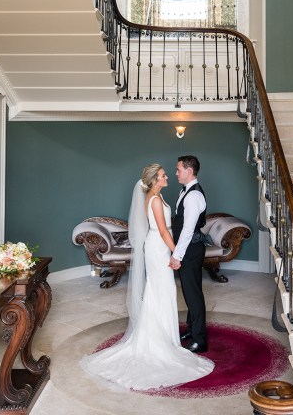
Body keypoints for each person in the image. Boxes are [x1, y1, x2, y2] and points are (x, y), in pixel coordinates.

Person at [81, 164, 214, 391]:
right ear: (154, 180)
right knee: (161, 289)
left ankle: (164, 334)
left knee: (162, 289)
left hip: (160, 245)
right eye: (163, 175)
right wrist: (176, 253)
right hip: (159, 246)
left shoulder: (156, 197)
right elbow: (163, 231)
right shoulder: (153, 199)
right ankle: (158, 338)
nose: (167, 176)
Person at [169, 155, 208, 353]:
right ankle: (192, 329)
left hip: (191, 249)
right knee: (189, 291)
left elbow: (187, 229)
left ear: (188, 171)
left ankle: (200, 339)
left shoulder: (193, 196)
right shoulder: (186, 192)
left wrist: (177, 255)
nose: (176, 173)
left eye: (178, 169)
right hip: (190, 248)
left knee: (193, 294)